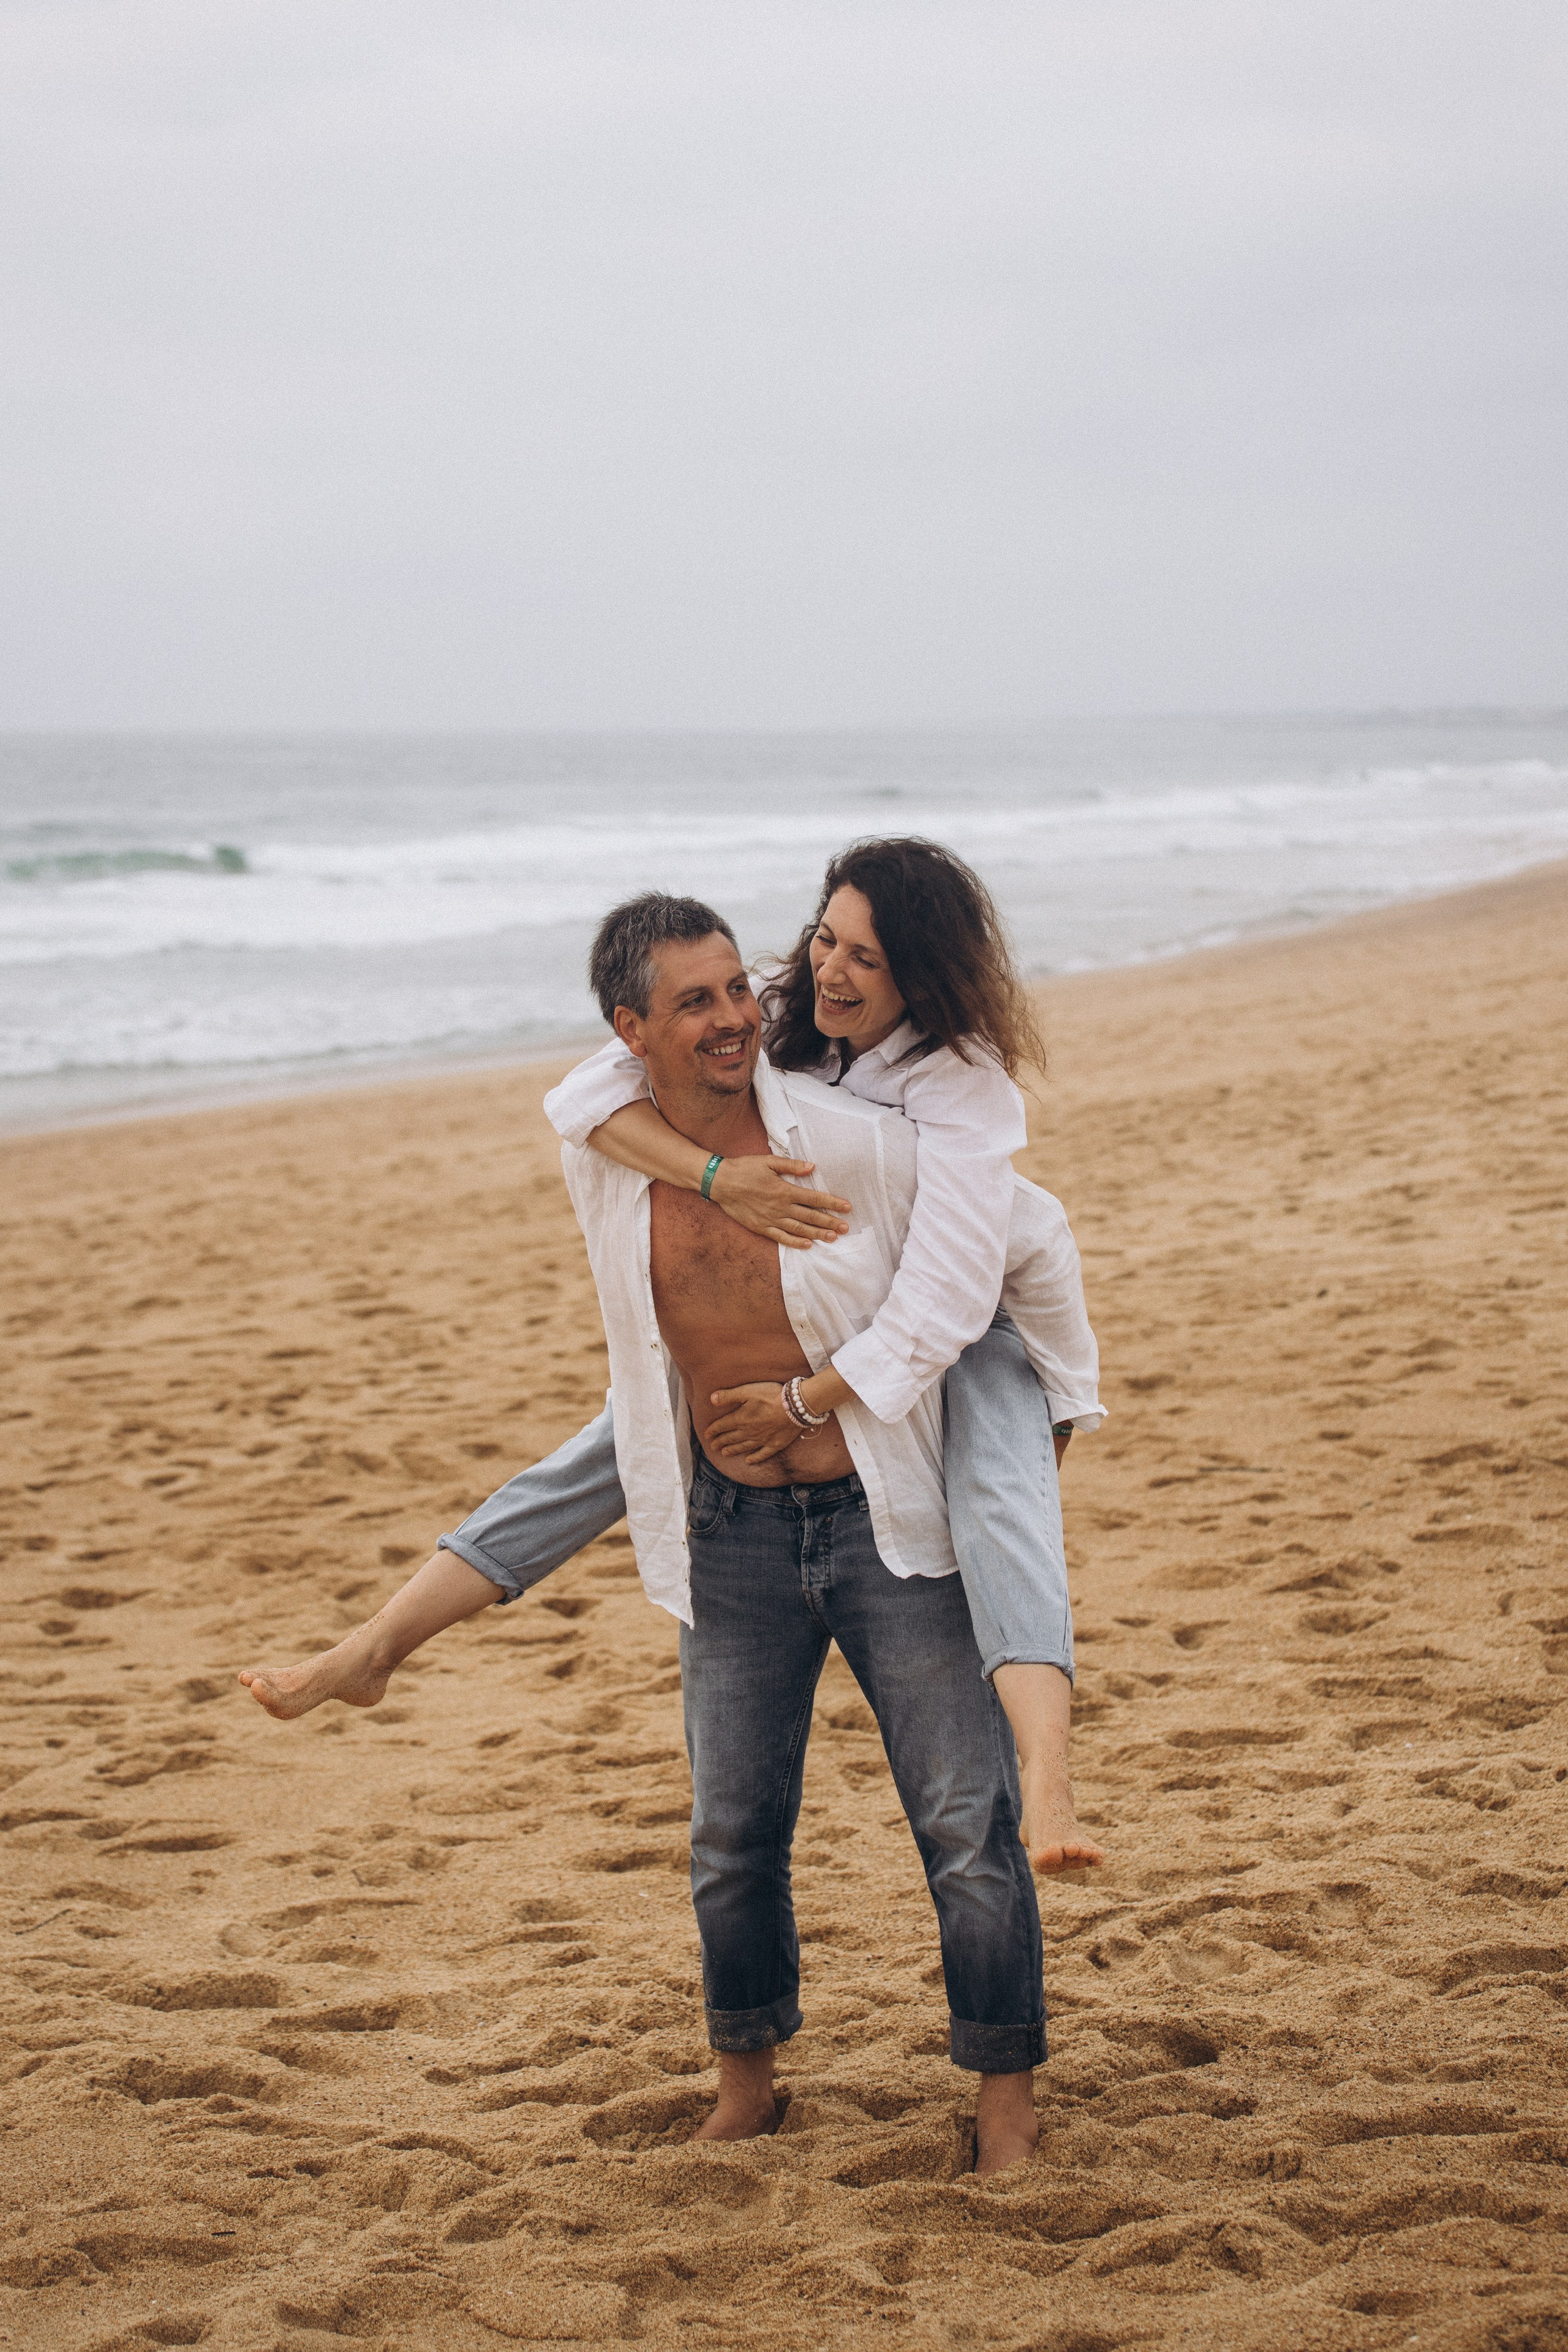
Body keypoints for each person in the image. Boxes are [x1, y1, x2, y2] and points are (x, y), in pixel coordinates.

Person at [240, 845, 1105, 1876]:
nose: (830, 970)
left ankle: (1048, 1779)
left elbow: (957, 1293)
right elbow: (583, 1100)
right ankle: (373, 1650)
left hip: (988, 1319)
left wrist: (810, 1402)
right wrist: (716, 1178)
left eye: (866, 960)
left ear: (919, 974)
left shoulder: (958, 1080)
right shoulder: (778, 1010)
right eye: (825, 939)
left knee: (1000, 1507)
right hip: (861, 1309)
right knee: (614, 1447)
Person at [562, 893, 1053, 2167]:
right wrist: (713, 1175)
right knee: (730, 1835)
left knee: (965, 1824)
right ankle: (746, 2086)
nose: (735, 1016)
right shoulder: (607, 1157)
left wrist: (1051, 1403)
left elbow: (1015, 1243)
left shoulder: (851, 1139)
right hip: (727, 1532)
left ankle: (1004, 2106)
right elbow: (569, 1101)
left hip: (885, 1519)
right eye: (695, 1001)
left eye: (739, 987)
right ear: (631, 1030)